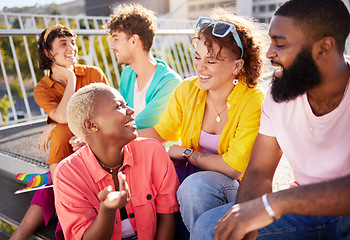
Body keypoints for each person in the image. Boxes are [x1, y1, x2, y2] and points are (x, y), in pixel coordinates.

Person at [190, 0, 350, 239]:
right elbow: (259, 172)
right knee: (209, 227)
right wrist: (245, 218)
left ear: (324, 47)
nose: (269, 53)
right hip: (301, 212)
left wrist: (274, 203)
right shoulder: (280, 95)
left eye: (281, 44)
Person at [138, 8, 266, 235]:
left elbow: (233, 168)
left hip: (236, 190)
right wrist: (110, 138)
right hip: (192, 180)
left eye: (212, 61)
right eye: (197, 57)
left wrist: (187, 153)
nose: (200, 67)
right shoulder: (188, 89)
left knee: (196, 187)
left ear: (237, 66)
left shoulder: (253, 100)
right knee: (155, 175)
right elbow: (160, 133)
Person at [10, 24, 109, 240]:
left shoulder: (93, 74)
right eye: (63, 44)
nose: (72, 48)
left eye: (73, 42)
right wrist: (71, 80)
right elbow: (64, 117)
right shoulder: (43, 88)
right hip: (68, 160)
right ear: (48, 52)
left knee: (50, 180)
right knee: (48, 188)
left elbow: (110, 114)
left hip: (97, 149)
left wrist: (76, 133)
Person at [54, 83, 179, 240]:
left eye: (126, 104)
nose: (131, 110)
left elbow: (167, 218)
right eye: (119, 106)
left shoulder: (153, 151)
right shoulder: (68, 174)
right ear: (91, 125)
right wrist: (107, 209)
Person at [108, 3, 181, 129]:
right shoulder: (127, 74)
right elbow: (117, 114)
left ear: (134, 41)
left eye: (116, 39)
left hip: (158, 148)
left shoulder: (170, 82)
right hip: (130, 147)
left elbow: (143, 124)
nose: (112, 46)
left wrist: (103, 135)